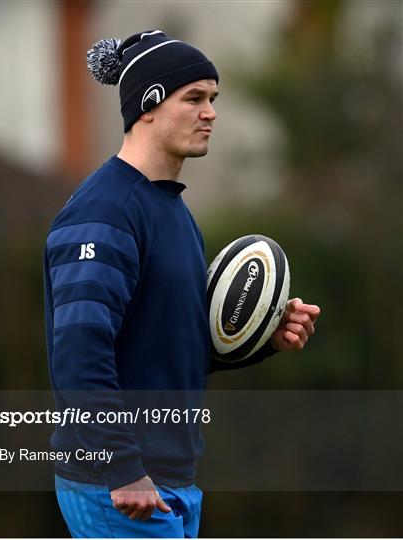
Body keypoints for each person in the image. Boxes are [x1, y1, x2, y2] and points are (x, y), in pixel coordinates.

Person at [43, 30, 320, 538]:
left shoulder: (171, 210)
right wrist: (122, 467)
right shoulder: (105, 212)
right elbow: (80, 350)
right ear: (146, 105)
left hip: (170, 481)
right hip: (119, 486)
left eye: (213, 98)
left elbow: (169, 345)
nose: (210, 112)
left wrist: (261, 338)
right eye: (193, 98)